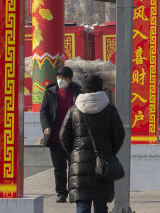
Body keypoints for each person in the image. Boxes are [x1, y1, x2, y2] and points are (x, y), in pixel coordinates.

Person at [60, 73, 125, 213]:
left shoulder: (74, 110)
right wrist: (110, 152)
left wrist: (74, 152)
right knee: (101, 205)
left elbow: (63, 136)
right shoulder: (109, 109)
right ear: (100, 88)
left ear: (83, 88)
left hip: (79, 166)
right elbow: (119, 135)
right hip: (103, 164)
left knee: (82, 205)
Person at [40, 65, 81, 202]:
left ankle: (73, 192)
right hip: (55, 137)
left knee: (74, 167)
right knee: (59, 167)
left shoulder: (78, 92)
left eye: (63, 78)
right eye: (58, 77)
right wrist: (46, 127)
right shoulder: (50, 92)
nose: (60, 80)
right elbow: (44, 112)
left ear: (70, 80)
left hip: (73, 137)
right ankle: (61, 193)